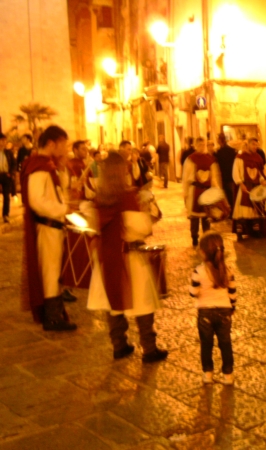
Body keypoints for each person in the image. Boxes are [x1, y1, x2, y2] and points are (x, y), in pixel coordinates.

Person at [83, 152, 168, 363]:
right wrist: (148, 210)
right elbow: (142, 228)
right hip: (130, 257)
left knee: (113, 304)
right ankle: (149, 349)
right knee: (143, 303)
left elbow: (93, 227)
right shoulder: (129, 196)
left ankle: (119, 345)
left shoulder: (98, 199)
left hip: (106, 259)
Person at [21, 125, 77, 331]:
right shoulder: (38, 166)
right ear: (52, 143)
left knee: (55, 270)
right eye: (63, 144)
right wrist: (62, 209)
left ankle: (55, 314)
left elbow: (57, 191)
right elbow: (36, 201)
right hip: (47, 226)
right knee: (50, 271)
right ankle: (52, 318)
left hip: (54, 225)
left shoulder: (47, 165)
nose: (65, 149)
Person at [190, 232, 237, 384]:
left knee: (206, 344)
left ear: (203, 253)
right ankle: (228, 375)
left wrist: (196, 289)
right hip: (224, 311)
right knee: (225, 343)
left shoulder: (198, 271)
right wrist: (232, 307)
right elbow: (232, 293)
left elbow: (194, 293)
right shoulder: (228, 271)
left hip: (205, 313)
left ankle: (208, 373)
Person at [182, 136, 223, 246]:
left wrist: (217, 190)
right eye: (200, 145)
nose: (202, 147)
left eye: (203, 145)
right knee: (194, 217)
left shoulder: (210, 159)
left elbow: (214, 177)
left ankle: (207, 237)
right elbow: (186, 177)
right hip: (194, 190)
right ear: (195, 146)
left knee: (206, 216)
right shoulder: (190, 159)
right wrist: (185, 193)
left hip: (207, 190)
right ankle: (194, 237)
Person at [232, 140, 266, 238]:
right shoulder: (240, 157)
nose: (255, 146)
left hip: (256, 186)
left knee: (255, 210)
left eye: (257, 144)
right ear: (248, 145)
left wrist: (262, 180)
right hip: (245, 186)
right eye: (253, 144)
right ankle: (240, 232)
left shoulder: (258, 157)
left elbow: (260, 172)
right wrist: (240, 183)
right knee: (242, 210)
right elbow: (236, 172)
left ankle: (255, 231)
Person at [215, 133, 237, 214]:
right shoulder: (232, 150)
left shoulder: (219, 152)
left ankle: (230, 212)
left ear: (220, 140)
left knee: (228, 195)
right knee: (231, 195)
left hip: (225, 176)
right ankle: (232, 212)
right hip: (231, 176)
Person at [0, 133, 16, 222]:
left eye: (4, 140)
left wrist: (11, 173)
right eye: (2, 140)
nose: (4, 142)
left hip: (6, 175)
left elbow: (14, 163)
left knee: (6, 196)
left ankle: (6, 215)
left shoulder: (9, 152)